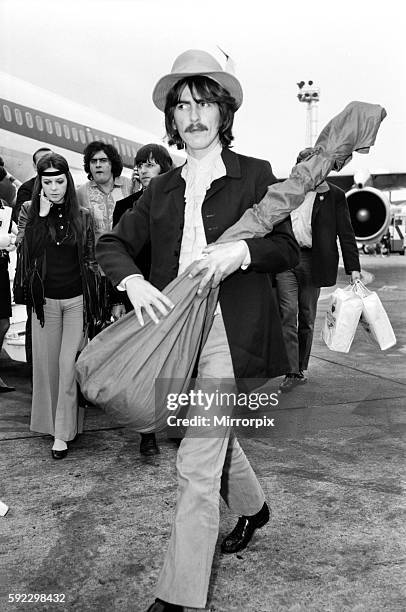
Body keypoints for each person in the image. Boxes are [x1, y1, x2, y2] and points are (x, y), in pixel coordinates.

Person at [96, 49, 299, 612]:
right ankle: (255, 508)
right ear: (172, 118)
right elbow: (112, 244)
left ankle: (179, 596)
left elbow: (285, 250)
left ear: (224, 111)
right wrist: (132, 282)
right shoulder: (158, 191)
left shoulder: (254, 174)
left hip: (230, 336)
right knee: (205, 438)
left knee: (195, 462)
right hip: (174, 337)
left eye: (205, 101)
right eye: (182, 104)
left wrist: (242, 251)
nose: (194, 114)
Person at [23, 153, 100, 459]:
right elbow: (27, 253)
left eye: (59, 181)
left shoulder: (82, 215)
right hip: (45, 303)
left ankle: (62, 432)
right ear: (40, 183)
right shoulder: (30, 210)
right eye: (47, 181)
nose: (54, 187)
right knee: (47, 368)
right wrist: (40, 218)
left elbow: (92, 260)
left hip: (76, 301)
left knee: (68, 367)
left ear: (68, 181)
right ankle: (56, 425)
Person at [276, 148, 361, 393]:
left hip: (314, 261)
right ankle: (291, 371)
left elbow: (346, 233)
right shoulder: (285, 192)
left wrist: (353, 268)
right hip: (287, 260)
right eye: (303, 166)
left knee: (307, 317)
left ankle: (300, 367)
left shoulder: (334, 195)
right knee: (287, 314)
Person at [113, 143, 174, 457]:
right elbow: (117, 253)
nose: (143, 170)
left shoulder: (181, 202)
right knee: (146, 365)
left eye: (149, 164)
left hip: (174, 293)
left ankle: (177, 424)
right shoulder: (125, 206)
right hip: (139, 295)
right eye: (140, 165)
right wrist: (118, 298)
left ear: (164, 168)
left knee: (179, 362)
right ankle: (146, 432)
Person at [76, 141, 132, 327]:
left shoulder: (129, 185)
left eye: (103, 160)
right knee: (99, 325)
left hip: (125, 265)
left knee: (125, 324)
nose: (98, 165)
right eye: (93, 161)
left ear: (112, 163)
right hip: (96, 270)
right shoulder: (82, 192)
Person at [0, 200, 17, 392]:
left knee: (3, 322)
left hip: (1, 267)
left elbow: (16, 233)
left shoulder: (4, 206)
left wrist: (10, 242)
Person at [14, 147, 52, 224]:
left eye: (51, 160)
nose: (48, 164)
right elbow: (19, 216)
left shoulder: (64, 185)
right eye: (42, 161)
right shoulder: (27, 188)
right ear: (35, 167)